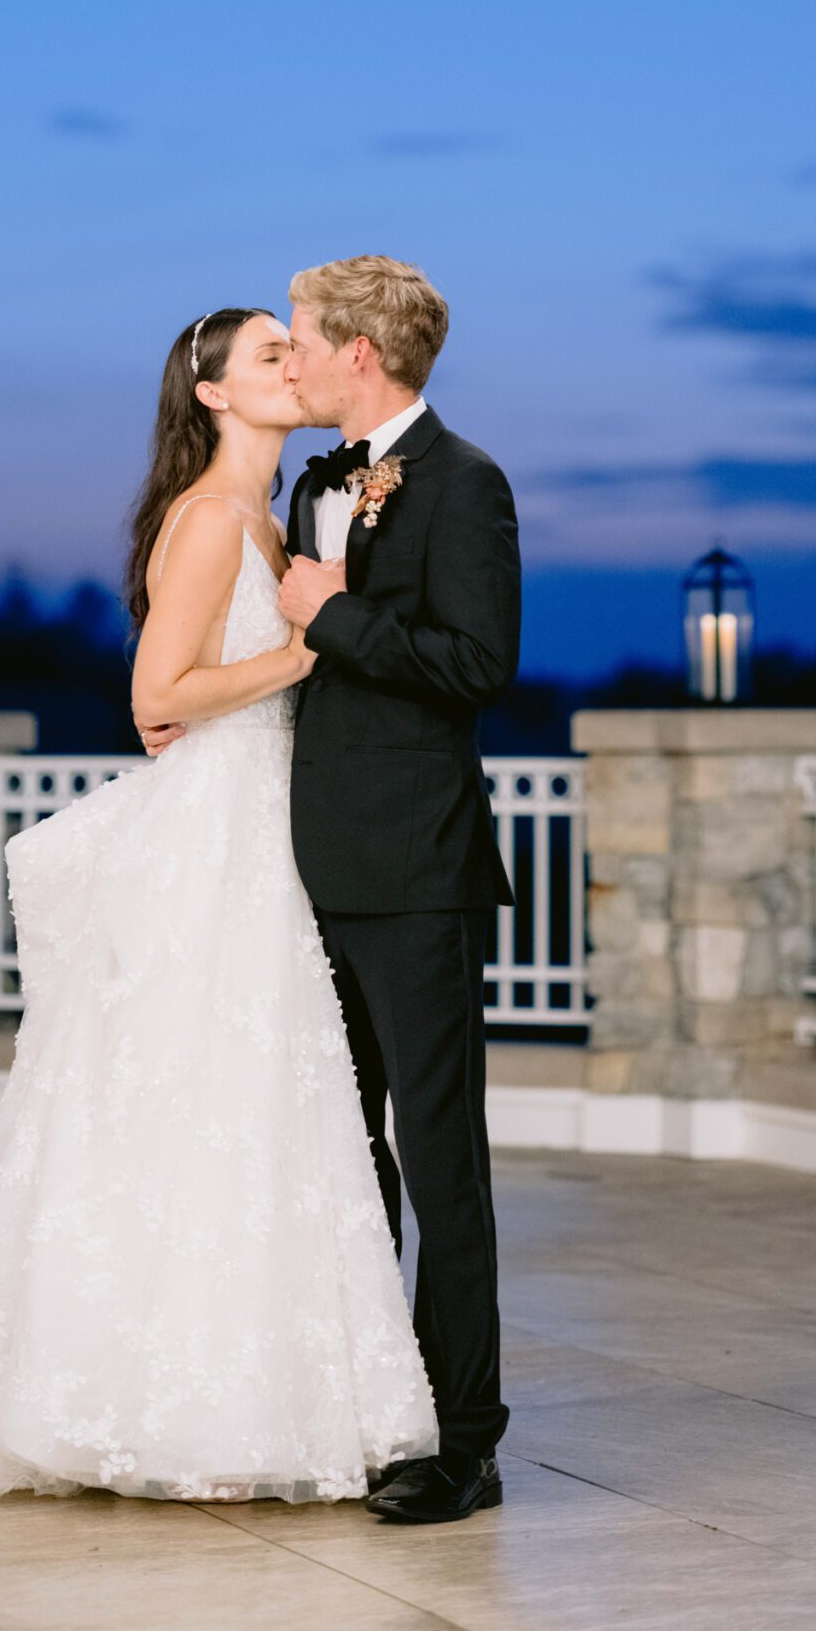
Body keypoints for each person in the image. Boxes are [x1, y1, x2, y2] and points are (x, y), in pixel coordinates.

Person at [0, 306, 437, 1506]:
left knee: (258, 1116)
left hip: (265, 830)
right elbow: (158, 691)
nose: (297, 364)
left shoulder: (270, 515)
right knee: (194, 1101)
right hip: (218, 835)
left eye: (298, 348)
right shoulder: (207, 520)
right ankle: (141, 1405)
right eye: (271, 355)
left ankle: (247, 1396)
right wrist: (306, 645)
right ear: (218, 396)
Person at [276, 254, 521, 1527]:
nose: (295, 357)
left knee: (438, 1163)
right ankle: (369, 1404)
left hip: (415, 873)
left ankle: (463, 1441)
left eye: (306, 338)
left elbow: (478, 663)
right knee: (338, 1153)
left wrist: (332, 616)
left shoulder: (466, 484)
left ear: (360, 351)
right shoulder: (313, 482)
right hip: (304, 869)